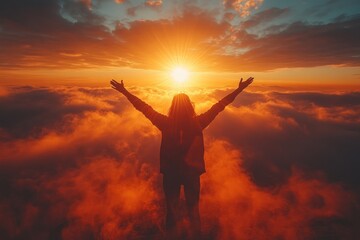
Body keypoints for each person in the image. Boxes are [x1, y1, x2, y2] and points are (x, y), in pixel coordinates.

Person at [110, 77, 254, 239]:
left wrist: (125, 91)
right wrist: (240, 89)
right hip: (191, 174)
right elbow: (220, 105)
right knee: (193, 211)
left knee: (171, 212)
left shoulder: (165, 123)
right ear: (189, 107)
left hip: (171, 174)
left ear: (173, 107)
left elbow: (143, 107)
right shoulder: (198, 123)